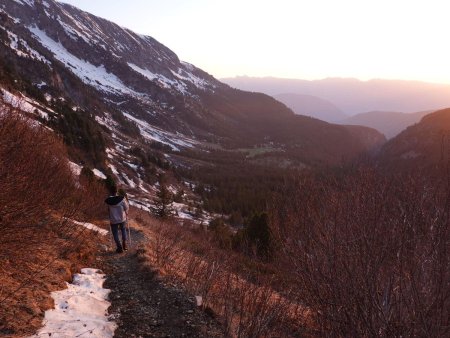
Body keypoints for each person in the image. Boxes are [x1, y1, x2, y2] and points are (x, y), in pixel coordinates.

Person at [105, 186, 129, 253]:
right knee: (123, 230)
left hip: (113, 219)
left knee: (115, 233)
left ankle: (119, 247)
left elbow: (108, 210)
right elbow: (126, 208)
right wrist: (126, 212)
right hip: (122, 218)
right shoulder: (122, 199)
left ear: (110, 191)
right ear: (117, 191)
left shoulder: (108, 200)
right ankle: (124, 243)